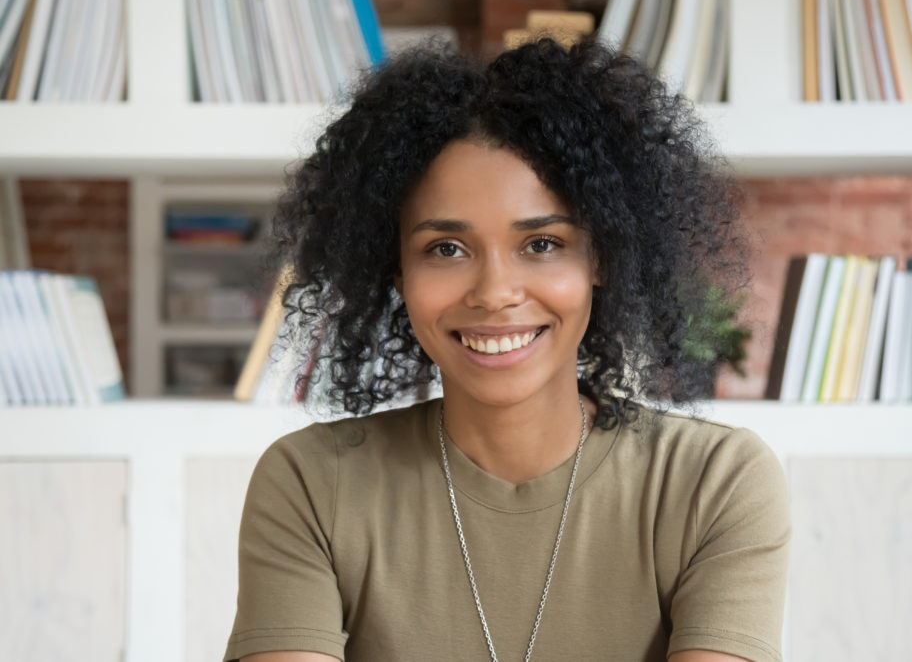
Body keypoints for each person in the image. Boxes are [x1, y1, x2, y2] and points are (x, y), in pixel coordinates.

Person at [224, 37, 790, 662]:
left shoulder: (713, 482)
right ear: (397, 274)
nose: (495, 294)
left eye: (542, 244)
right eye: (446, 248)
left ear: (601, 256)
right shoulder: (312, 485)